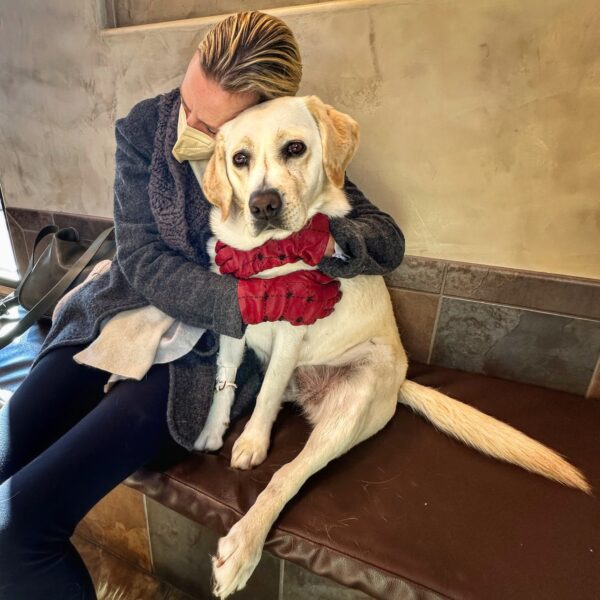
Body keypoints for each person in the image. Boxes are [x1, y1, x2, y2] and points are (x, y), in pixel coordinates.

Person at [0, 10, 405, 599]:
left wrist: (328, 240)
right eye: (187, 101)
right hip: (126, 315)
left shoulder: (282, 144)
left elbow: (385, 238)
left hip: (203, 362)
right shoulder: (145, 128)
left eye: (210, 123)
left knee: (15, 532)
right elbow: (139, 257)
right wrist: (246, 296)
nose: (185, 124)